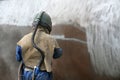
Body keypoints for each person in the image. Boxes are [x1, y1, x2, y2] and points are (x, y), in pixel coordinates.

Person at [16, 11, 62, 80]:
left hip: (26, 73)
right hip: (43, 75)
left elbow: (18, 58)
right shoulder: (51, 40)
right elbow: (57, 54)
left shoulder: (24, 39)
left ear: (34, 25)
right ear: (48, 26)